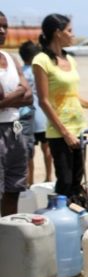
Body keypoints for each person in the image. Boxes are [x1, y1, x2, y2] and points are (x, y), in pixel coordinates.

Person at [33, 14, 88, 200]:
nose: (73, 35)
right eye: (69, 31)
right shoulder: (42, 60)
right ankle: (61, 222)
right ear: (57, 33)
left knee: (77, 180)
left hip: (78, 128)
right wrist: (65, 133)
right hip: (59, 132)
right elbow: (44, 101)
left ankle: (76, 219)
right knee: (65, 181)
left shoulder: (70, 59)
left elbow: (73, 97)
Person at [0, 10, 33, 216]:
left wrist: (6, 100)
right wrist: (19, 92)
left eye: (5, 26)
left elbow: (29, 97)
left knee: (15, 187)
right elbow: (22, 92)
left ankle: (9, 235)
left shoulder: (11, 59)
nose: (2, 30)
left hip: (15, 128)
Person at [19, 41, 52, 185]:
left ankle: (30, 181)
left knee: (28, 153)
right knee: (47, 149)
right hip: (42, 116)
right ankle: (48, 177)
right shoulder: (39, 71)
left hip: (25, 117)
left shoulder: (19, 73)